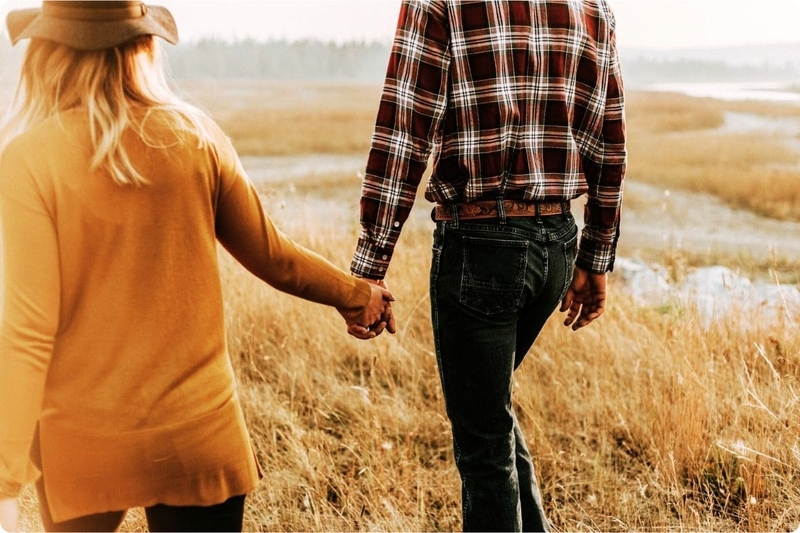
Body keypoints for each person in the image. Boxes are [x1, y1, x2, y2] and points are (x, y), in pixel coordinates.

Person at [0, 2, 394, 532]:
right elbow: (273, 255)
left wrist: (4, 480)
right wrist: (357, 295)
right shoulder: (197, 136)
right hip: (198, 434)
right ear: (143, 46)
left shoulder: (28, 160)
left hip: (85, 442)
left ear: (47, 52)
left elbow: (27, 331)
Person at [350, 1, 626, 531]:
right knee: (489, 413)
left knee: (483, 444)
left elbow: (405, 130)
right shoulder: (591, 6)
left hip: (482, 246)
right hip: (556, 243)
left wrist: (370, 265)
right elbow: (607, 137)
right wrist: (595, 255)